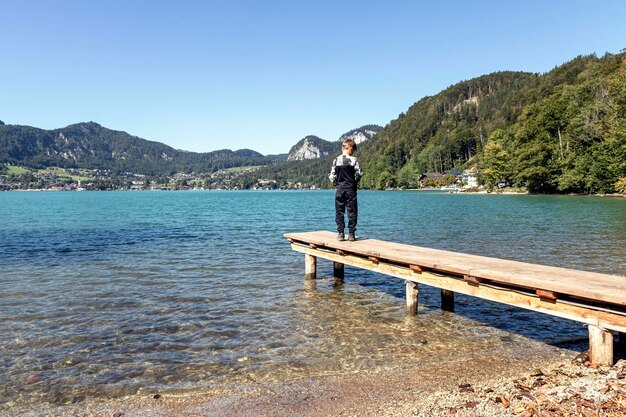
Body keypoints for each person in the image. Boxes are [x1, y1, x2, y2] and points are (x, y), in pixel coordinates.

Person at [329, 138, 362, 241]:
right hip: (351, 190)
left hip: (340, 189)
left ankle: (340, 233)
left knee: (339, 211)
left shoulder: (336, 160)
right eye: (354, 150)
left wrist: (336, 184)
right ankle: (351, 234)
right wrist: (354, 182)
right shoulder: (353, 160)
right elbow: (359, 174)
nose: (353, 152)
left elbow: (332, 177)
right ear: (350, 148)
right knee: (352, 212)